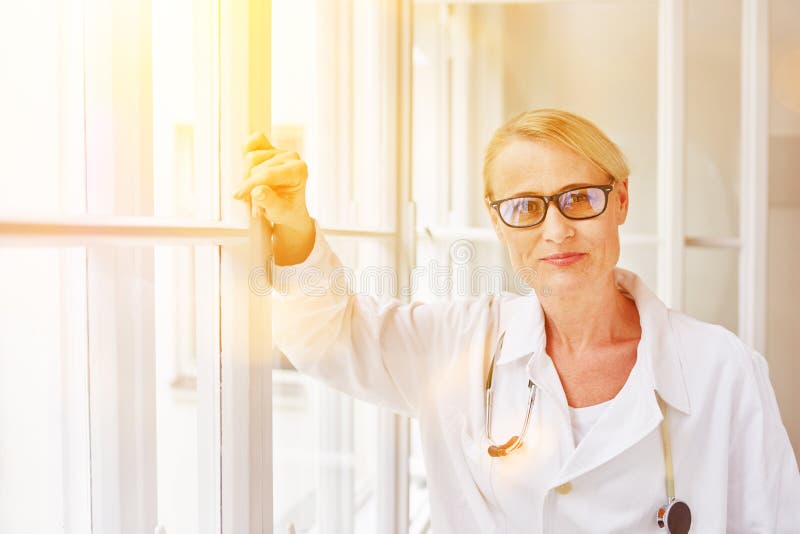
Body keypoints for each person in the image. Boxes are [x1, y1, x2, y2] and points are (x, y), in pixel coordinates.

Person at [233, 109, 800, 533]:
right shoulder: (459, 345)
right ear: (499, 223)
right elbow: (328, 339)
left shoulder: (723, 371)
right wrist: (295, 227)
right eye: (526, 207)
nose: (556, 231)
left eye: (579, 198)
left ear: (621, 200)